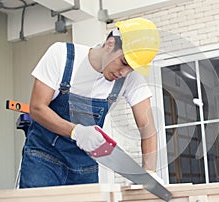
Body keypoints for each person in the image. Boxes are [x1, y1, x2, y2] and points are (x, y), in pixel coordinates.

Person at [19, 17, 161, 188]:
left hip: (84, 167)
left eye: (132, 68)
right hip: (43, 160)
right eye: (124, 62)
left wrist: (149, 173)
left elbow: (148, 129)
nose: (124, 73)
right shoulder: (62, 55)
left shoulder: (130, 79)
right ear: (110, 44)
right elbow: (37, 108)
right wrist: (76, 132)